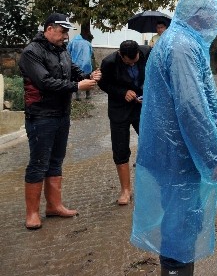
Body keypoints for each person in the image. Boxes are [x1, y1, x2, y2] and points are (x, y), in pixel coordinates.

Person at [131, 0, 217, 276]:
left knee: (181, 223)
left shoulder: (177, 40)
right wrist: (214, 159)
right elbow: (192, 108)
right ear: (199, 15)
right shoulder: (182, 47)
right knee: (180, 225)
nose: (214, 24)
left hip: (175, 154)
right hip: (180, 156)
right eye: (212, 17)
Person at [19, 13, 101, 230]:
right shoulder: (31, 53)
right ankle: (32, 213)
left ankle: (54, 206)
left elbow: (72, 71)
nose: (66, 36)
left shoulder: (61, 50)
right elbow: (44, 82)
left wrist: (88, 76)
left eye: (67, 32)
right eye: (62, 31)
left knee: (56, 161)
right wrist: (76, 87)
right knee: (39, 163)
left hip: (61, 114)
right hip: (41, 116)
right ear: (48, 29)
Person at [98, 40, 151, 206]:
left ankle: (151, 186)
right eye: (128, 62)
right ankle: (125, 190)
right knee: (120, 148)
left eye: (135, 61)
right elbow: (103, 83)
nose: (132, 64)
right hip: (119, 109)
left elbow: (155, 75)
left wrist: (148, 94)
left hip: (141, 107)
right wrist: (122, 92)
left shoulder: (148, 53)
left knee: (151, 143)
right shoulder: (109, 62)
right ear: (121, 56)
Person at [66, 32, 94, 100]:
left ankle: (78, 96)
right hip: (87, 64)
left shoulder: (72, 42)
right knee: (88, 78)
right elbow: (91, 54)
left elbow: (67, 53)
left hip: (75, 64)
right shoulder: (88, 43)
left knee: (76, 80)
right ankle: (88, 95)